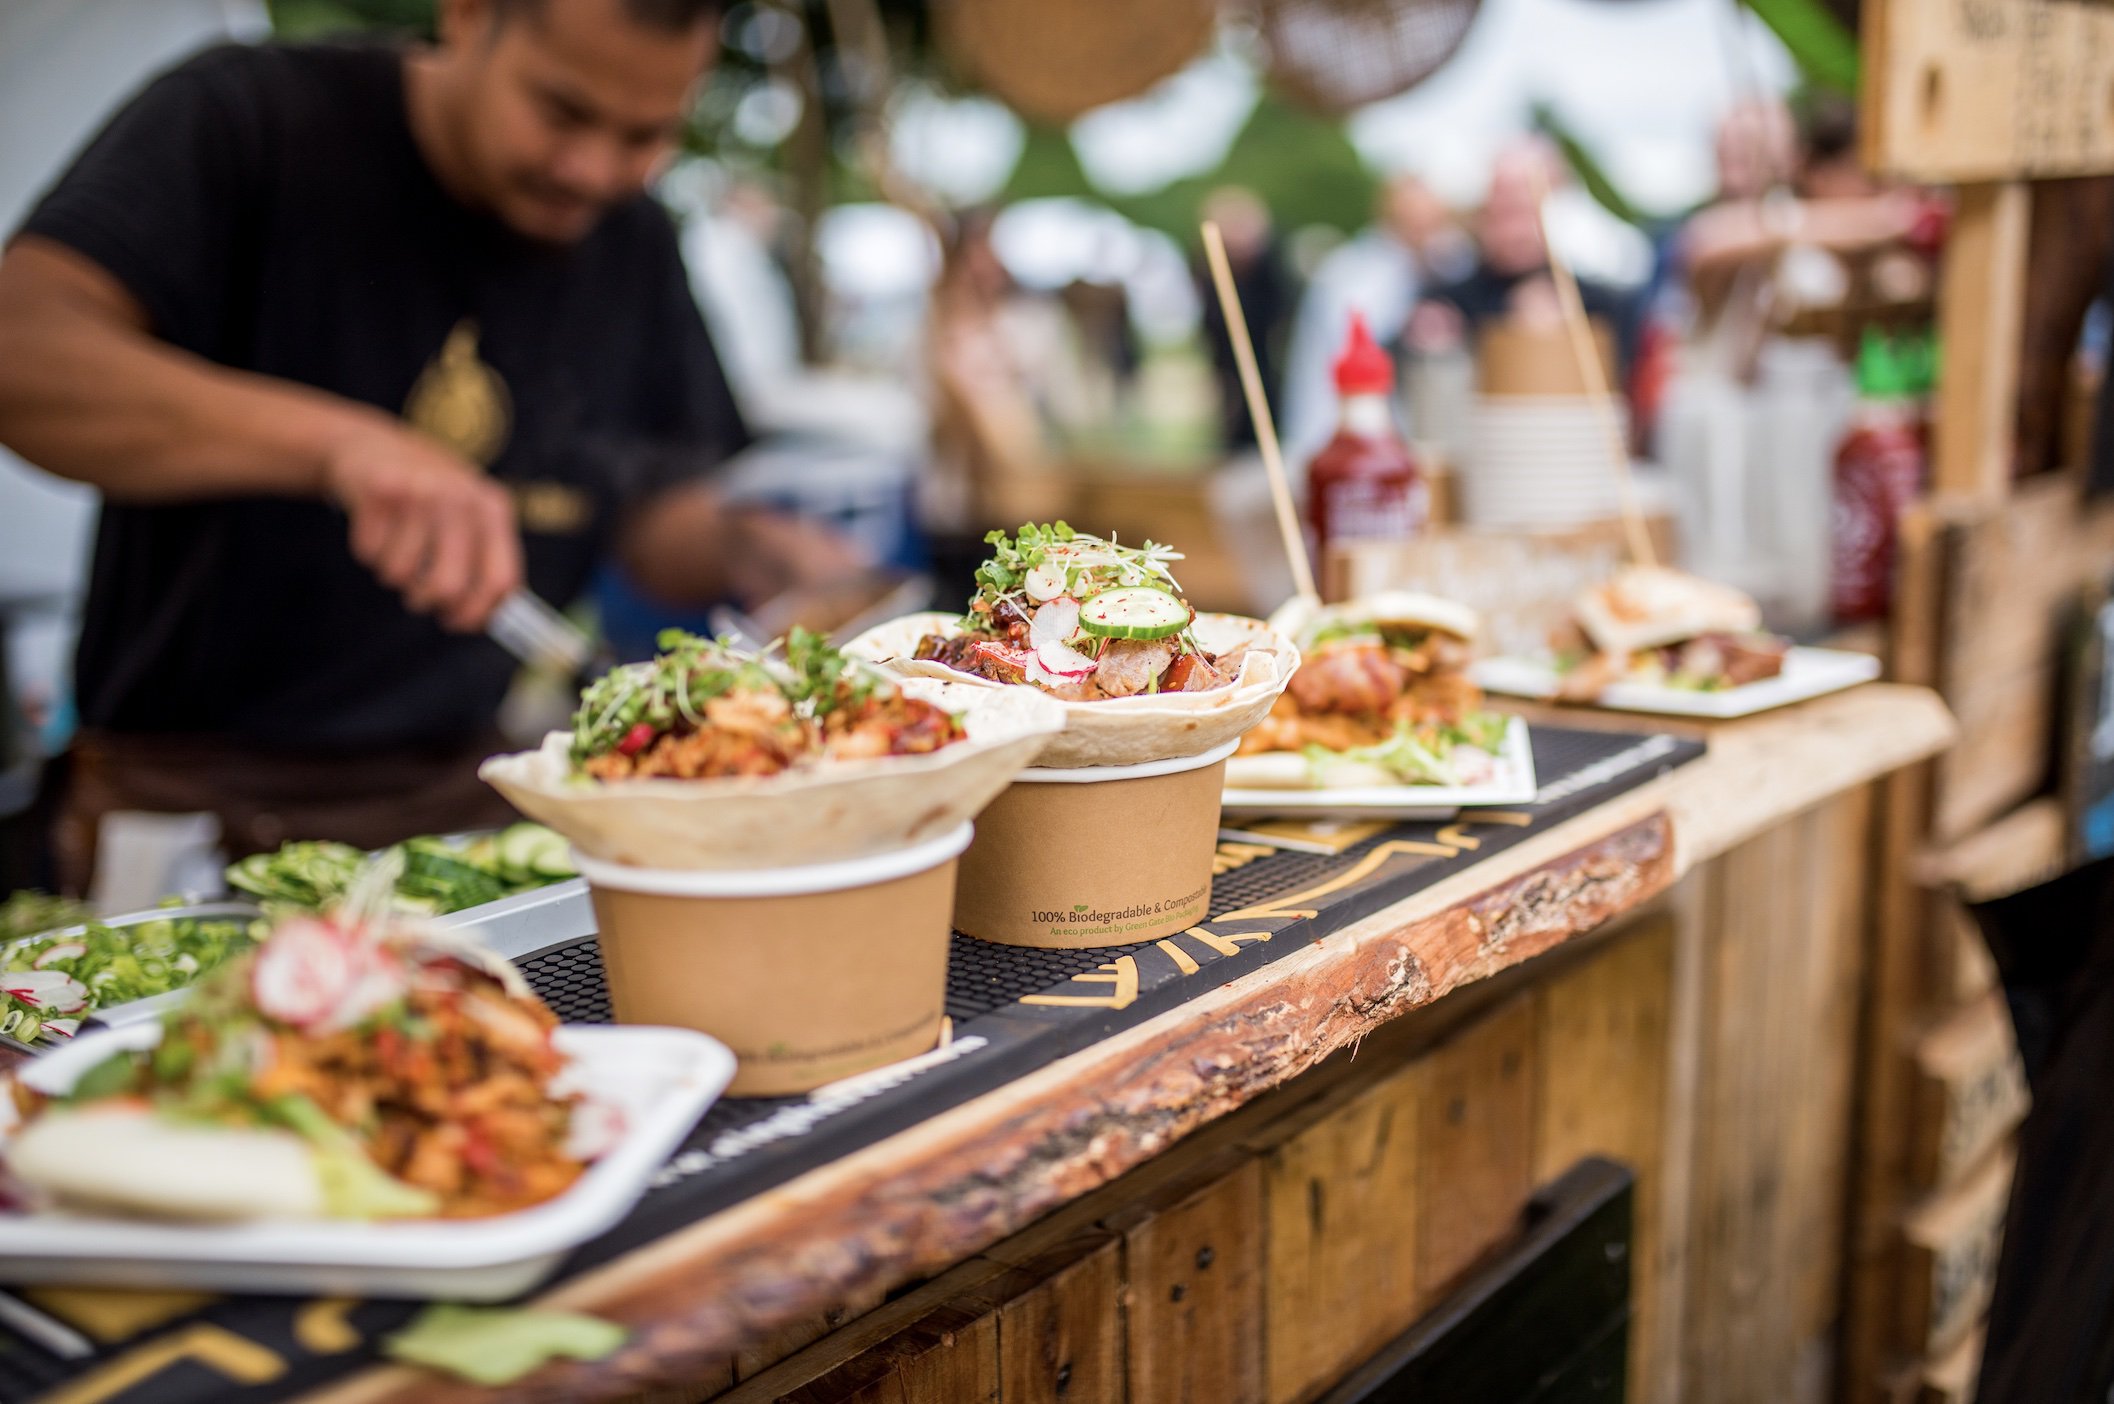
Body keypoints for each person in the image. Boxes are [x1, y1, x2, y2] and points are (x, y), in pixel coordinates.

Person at [0, 0, 865, 891]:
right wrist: (342, 449)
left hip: (465, 803)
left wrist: (748, 544)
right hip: (187, 810)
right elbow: (22, 353)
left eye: (644, 135)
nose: (592, 169)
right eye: (561, 111)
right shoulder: (247, 119)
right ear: (469, 16)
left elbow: (648, 508)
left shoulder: (634, 235)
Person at [1279, 174, 1466, 464]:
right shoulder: (1353, 272)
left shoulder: (1438, 267)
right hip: (1340, 431)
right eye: (1413, 222)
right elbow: (1355, 346)